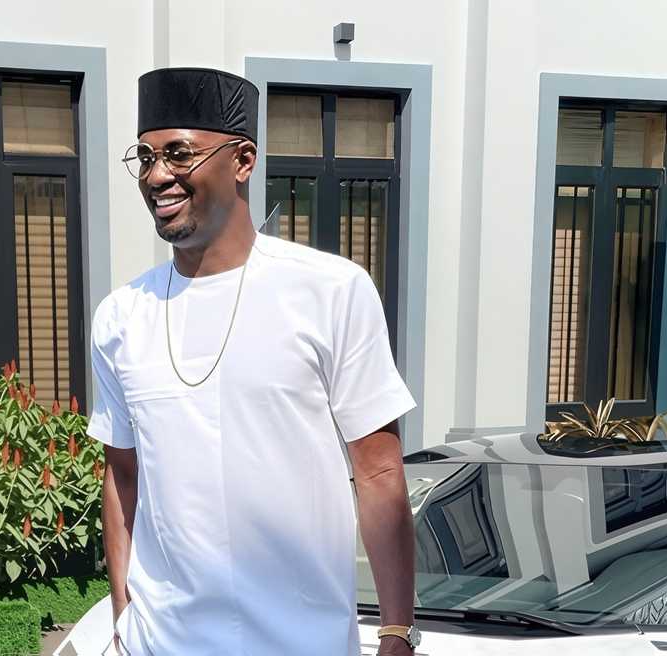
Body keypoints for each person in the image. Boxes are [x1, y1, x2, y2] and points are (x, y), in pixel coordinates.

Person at [85, 67, 419, 656]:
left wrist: (396, 631)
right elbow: (123, 474)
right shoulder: (120, 318)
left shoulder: (331, 292)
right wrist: (122, 616)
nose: (158, 175)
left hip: (304, 643)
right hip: (161, 645)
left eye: (179, 154)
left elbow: (378, 473)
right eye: (145, 156)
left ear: (242, 161)